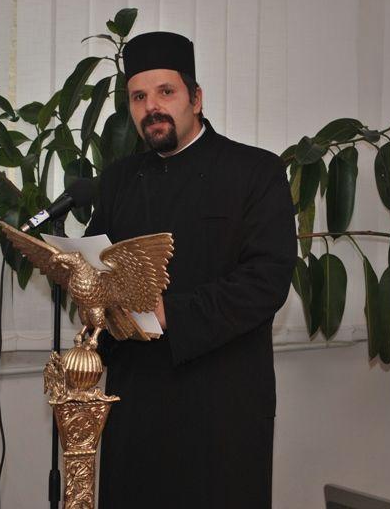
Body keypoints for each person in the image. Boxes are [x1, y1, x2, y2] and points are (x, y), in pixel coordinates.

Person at [85, 31, 297, 509]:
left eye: (166, 92)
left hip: (222, 407)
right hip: (136, 401)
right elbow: (98, 267)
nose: (152, 107)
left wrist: (170, 312)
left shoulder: (255, 171)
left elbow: (266, 280)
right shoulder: (118, 181)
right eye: (138, 97)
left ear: (196, 98)